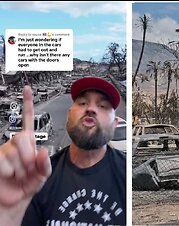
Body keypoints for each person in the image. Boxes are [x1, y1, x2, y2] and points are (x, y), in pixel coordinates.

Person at [0, 77, 126, 225]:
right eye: (83, 103)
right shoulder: (38, 179)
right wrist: (8, 217)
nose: (91, 109)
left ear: (115, 122)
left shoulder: (126, 175)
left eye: (103, 105)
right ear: (69, 115)